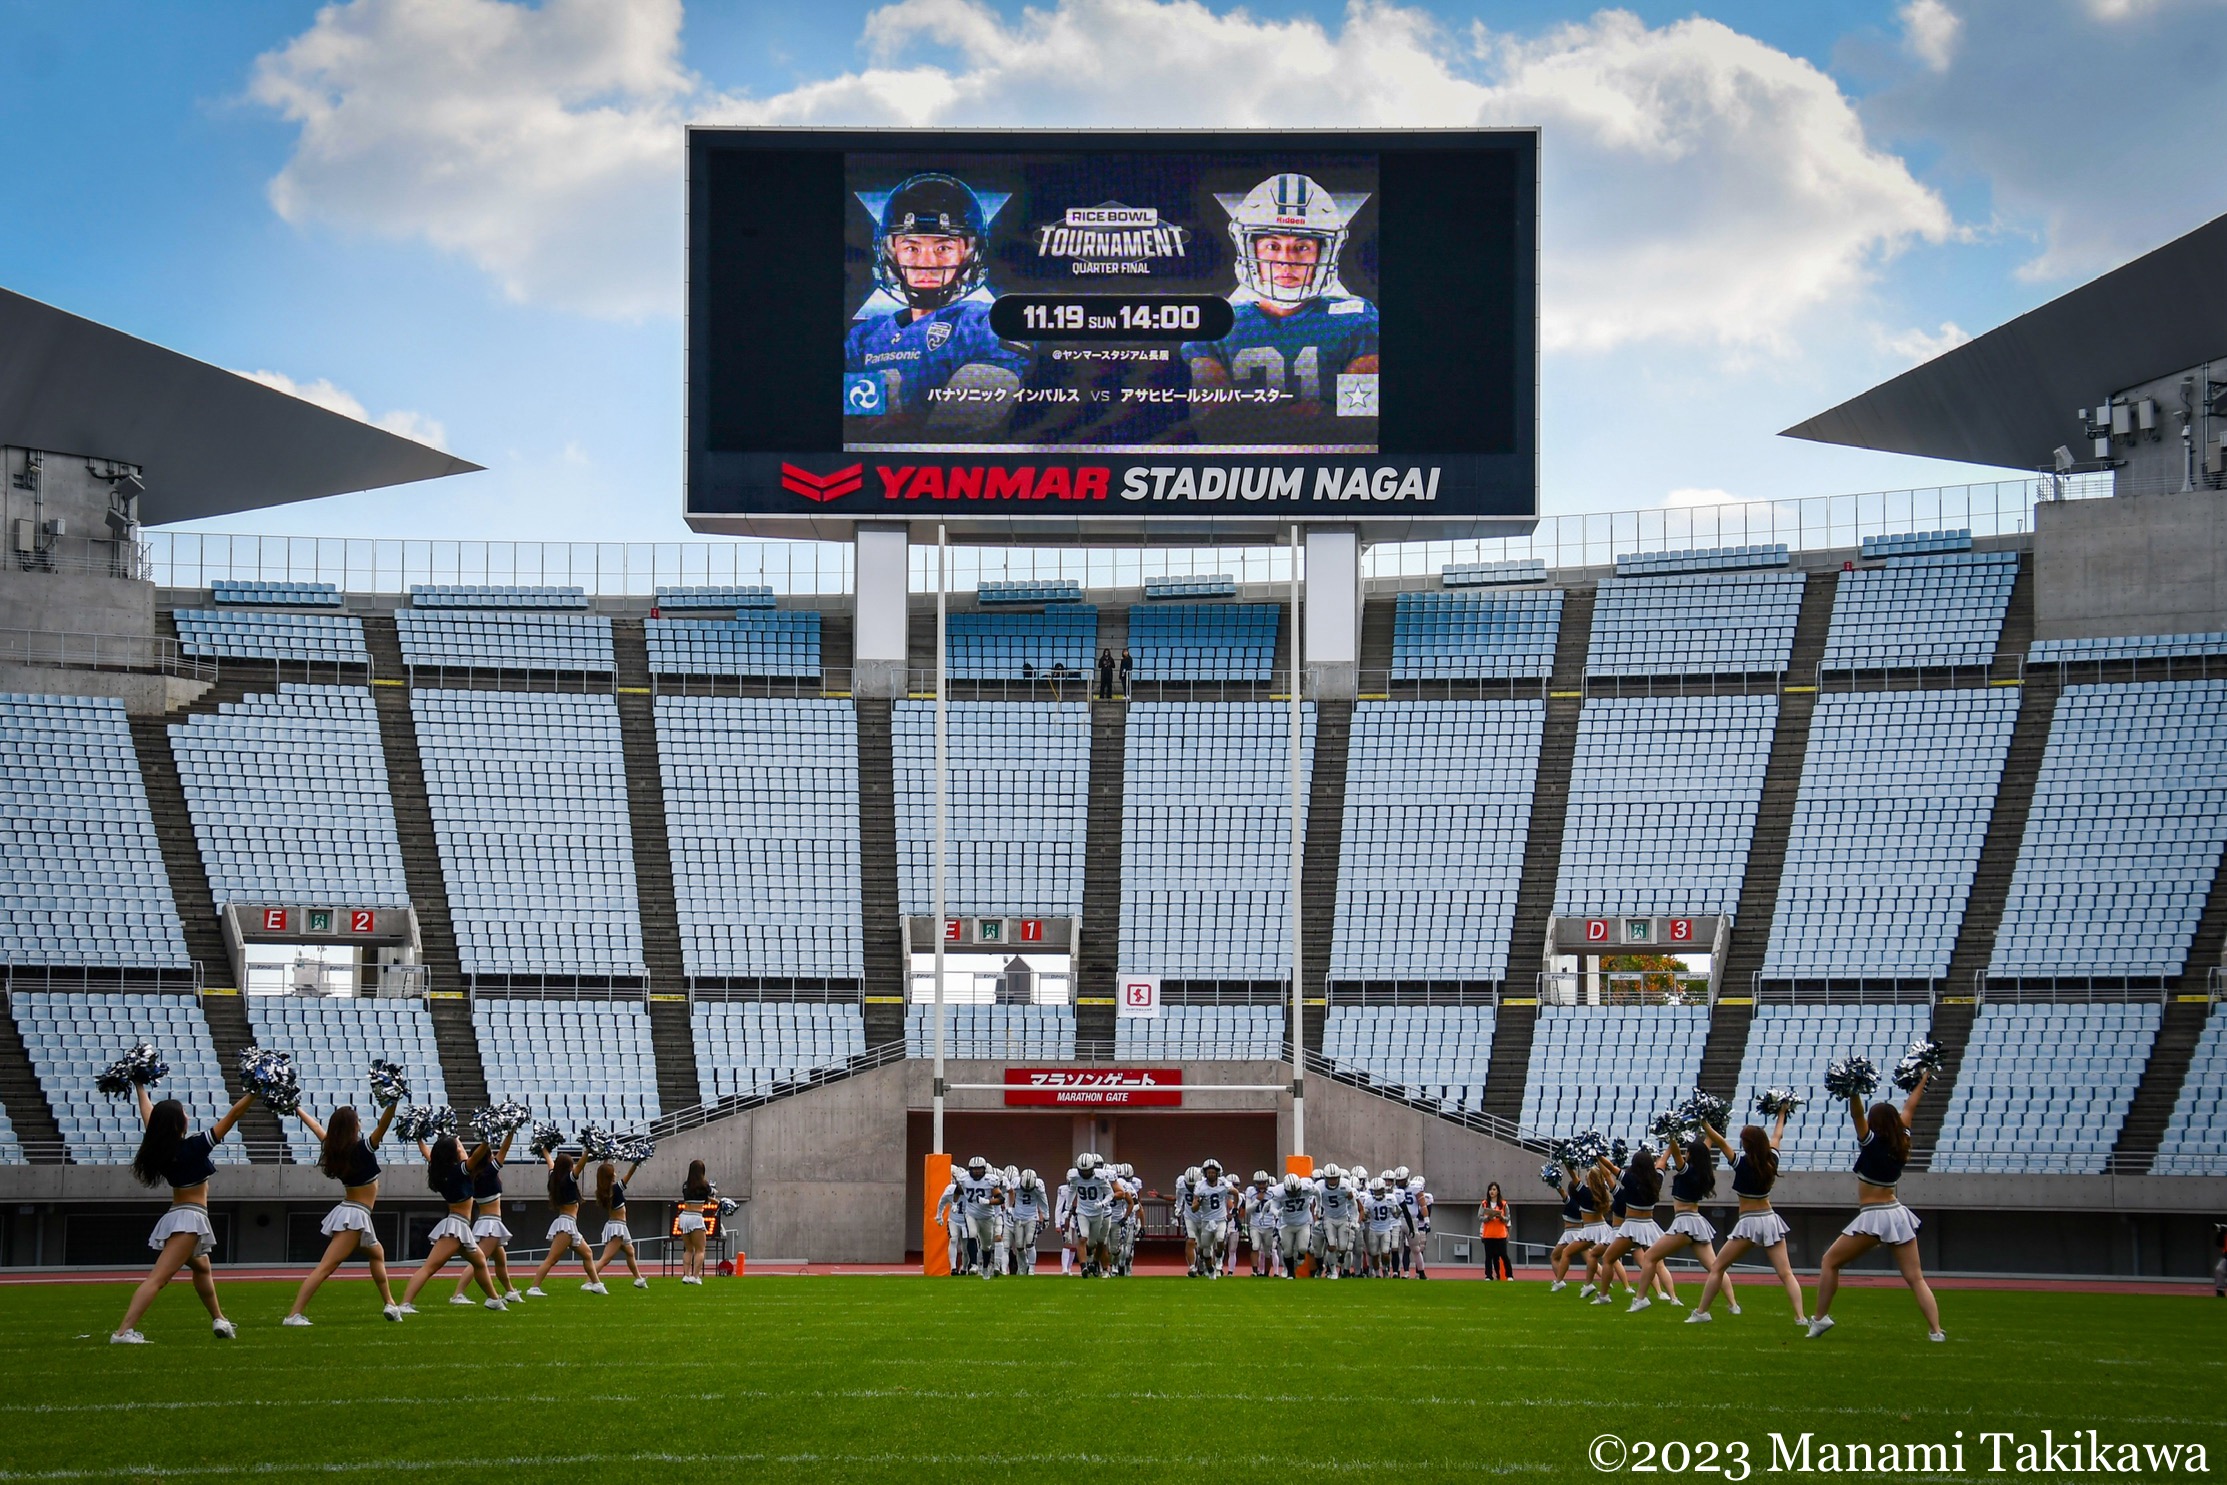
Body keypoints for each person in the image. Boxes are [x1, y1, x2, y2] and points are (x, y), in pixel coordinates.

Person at [1182, 173, 1377, 430]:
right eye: (1273, 246)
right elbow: (1213, 424)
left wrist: (1256, 420)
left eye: (1302, 246)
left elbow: (1362, 420)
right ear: (1249, 249)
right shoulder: (1214, 323)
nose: (1287, 261)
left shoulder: (1358, 319)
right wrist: (1313, 415)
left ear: (1324, 251)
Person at [844, 172, 1026, 434]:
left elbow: (967, 423)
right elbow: (853, 426)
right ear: (890, 252)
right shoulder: (863, 339)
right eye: (912, 247)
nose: (926, 263)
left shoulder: (988, 324)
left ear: (969, 253)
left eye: (943, 248)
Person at [112, 1084, 258, 1343]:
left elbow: (149, 1114)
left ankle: (219, 1319)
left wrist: (139, 1085)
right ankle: (123, 1332)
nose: (188, 1117)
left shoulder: (162, 1147)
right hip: (189, 1220)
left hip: (179, 1215)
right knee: (158, 1279)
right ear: (178, 1122)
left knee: (202, 1270)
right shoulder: (193, 1148)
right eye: (184, 1113)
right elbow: (233, 1115)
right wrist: (256, 1092)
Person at [1807, 1070, 1943, 1341]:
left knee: (1830, 1262)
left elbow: (1857, 1114)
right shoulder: (1902, 1138)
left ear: (1875, 1123)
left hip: (1874, 1216)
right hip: (1897, 1213)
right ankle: (1936, 1331)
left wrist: (1853, 1087)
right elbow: (1910, 1106)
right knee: (1916, 1278)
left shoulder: (1871, 1143)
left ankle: (1820, 1318)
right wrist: (1923, 1079)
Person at [282, 1101, 404, 1325]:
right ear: (352, 1126)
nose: (360, 1123)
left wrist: (297, 1108)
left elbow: (316, 1128)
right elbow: (384, 1126)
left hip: (354, 1212)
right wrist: (393, 1102)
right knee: (325, 1267)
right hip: (355, 1216)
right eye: (357, 1121)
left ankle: (390, 1304)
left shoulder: (334, 1147)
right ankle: (293, 1315)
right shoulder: (363, 1149)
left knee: (377, 1253)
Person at [1687, 1110, 1806, 1326]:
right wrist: (1781, 1113)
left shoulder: (1740, 1163)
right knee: (1786, 1273)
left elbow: (1721, 1142)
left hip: (1749, 1222)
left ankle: (1702, 1312)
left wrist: (1704, 1122)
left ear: (1747, 1144)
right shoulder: (1772, 1160)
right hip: (1770, 1219)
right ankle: (1801, 1317)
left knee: (1717, 1268)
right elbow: (1777, 1136)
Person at [399, 1134, 506, 1313]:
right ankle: (404, 1304)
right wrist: (486, 1140)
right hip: (456, 1227)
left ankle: (494, 1299)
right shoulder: (460, 1170)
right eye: (457, 1149)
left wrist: (420, 1139)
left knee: (480, 1261)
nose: (460, 1150)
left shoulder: (439, 1170)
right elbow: (477, 1156)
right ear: (451, 1155)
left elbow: (428, 1154)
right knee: (429, 1267)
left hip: (459, 1226)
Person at [1631, 1133, 1732, 1314]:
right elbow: (1704, 1150)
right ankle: (1733, 1305)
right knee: (1715, 1267)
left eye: (1688, 1153)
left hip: (1684, 1223)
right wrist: (1709, 1134)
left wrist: (1671, 1136)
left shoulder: (1687, 1170)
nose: (1685, 1155)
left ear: (1690, 1155)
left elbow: (1677, 1154)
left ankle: (1640, 1298)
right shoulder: (1702, 1172)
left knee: (1650, 1257)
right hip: (1697, 1222)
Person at [1591, 1147, 1667, 1306]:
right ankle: (1665, 1296)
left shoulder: (1630, 1179)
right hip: (1650, 1227)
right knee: (1653, 1261)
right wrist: (1670, 1147)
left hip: (1632, 1227)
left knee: (1608, 1258)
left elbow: (1610, 1169)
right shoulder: (1657, 1179)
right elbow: (1662, 1163)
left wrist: (1596, 1153)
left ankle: (1604, 1295)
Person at [452, 1130, 520, 1305]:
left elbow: (462, 1154)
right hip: (491, 1223)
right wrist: (511, 1132)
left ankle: (510, 1291)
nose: (493, 1156)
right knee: (479, 1260)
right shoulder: (489, 1172)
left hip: (486, 1221)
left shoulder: (472, 1173)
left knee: (500, 1261)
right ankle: (457, 1294)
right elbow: (504, 1150)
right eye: (490, 1154)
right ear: (487, 1156)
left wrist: (457, 1140)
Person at [528, 1147, 607, 1296]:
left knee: (587, 1253)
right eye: (571, 1165)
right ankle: (534, 1287)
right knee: (552, 1259)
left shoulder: (554, 1177)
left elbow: (550, 1162)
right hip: (566, 1225)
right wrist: (587, 1151)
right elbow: (581, 1166)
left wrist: (544, 1150)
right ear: (568, 1167)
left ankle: (596, 1284)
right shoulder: (568, 1179)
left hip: (570, 1224)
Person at [595, 1158, 649, 1289]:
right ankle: (590, 1281)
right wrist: (636, 1163)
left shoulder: (604, 1190)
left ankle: (638, 1279)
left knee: (630, 1251)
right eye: (613, 1172)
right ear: (610, 1176)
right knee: (606, 1258)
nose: (615, 1173)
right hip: (618, 1227)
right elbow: (629, 1175)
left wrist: (605, 1159)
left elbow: (602, 1173)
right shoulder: (616, 1189)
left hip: (616, 1225)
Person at [1068, 1152, 1118, 1277]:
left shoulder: (1101, 1177)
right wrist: (1067, 1208)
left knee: (1095, 1243)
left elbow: (1111, 1194)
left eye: (1087, 1171)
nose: (1084, 1173)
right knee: (1082, 1238)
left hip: (1098, 1213)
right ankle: (1084, 1267)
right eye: (1082, 1171)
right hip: (1082, 1212)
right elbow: (1071, 1191)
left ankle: (1095, 1264)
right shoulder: (1074, 1177)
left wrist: (1102, 1203)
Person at [677, 1160, 716, 1285]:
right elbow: (711, 1194)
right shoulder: (704, 1185)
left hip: (684, 1216)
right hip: (696, 1217)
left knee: (688, 1249)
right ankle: (695, 1276)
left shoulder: (685, 1185)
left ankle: (686, 1275)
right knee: (700, 1249)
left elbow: (698, 1197)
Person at [1273, 1171, 1315, 1277]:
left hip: (1303, 1223)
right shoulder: (1279, 1192)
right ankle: (1291, 1274)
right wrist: (1277, 1212)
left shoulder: (1307, 1187)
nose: (1294, 1194)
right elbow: (1273, 1206)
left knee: (1303, 1248)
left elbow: (1318, 1193)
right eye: (1291, 1192)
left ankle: (1301, 1256)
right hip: (1287, 1224)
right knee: (1287, 1251)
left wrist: (1318, 1206)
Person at [1008, 1167, 1049, 1275]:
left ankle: (1031, 1268)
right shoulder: (1016, 1182)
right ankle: (1024, 1264)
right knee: (1019, 1245)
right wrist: (1010, 1208)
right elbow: (1010, 1193)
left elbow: (1043, 1202)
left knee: (1030, 1243)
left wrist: (1046, 1217)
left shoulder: (1038, 1186)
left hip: (1032, 1217)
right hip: (1018, 1218)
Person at [1478, 1182, 1512, 1281]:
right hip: (1488, 1234)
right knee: (1488, 1256)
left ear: (1498, 1191)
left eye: (1494, 1189)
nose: (1492, 1192)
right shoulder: (1484, 1203)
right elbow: (1479, 1217)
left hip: (1500, 1234)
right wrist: (1487, 1218)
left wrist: (1501, 1217)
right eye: (1490, 1190)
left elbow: (1508, 1218)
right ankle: (1488, 1275)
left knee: (1504, 1255)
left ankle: (1509, 1275)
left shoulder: (1504, 1204)